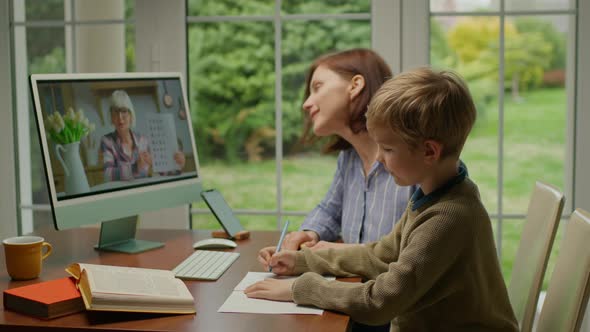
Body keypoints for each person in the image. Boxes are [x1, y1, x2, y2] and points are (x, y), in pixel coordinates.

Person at [245, 68, 519, 331]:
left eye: (387, 149)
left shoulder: (448, 217)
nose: (378, 158)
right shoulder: (433, 194)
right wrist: (302, 261)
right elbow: (379, 255)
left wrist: (300, 288)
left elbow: (380, 302)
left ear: (429, 151)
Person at [282, 49, 415, 252]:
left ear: (355, 86)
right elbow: (330, 210)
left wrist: (335, 254)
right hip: (354, 280)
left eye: (317, 88)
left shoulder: (415, 160)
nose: (306, 103)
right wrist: (309, 233)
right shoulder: (349, 158)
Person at [101, 90, 185, 181]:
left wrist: (177, 164)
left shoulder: (143, 140)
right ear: (112, 117)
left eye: (124, 111)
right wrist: (135, 167)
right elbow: (107, 175)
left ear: (130, 115)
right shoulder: (107, 141)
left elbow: (164, 172)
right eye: (116, 112)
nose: (120, 117)